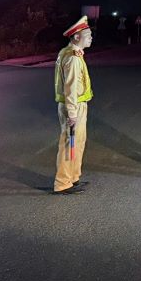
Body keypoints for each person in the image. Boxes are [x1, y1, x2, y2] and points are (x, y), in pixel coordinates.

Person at [52, 16, 94, 195]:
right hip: (74, 107)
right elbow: (70, 88)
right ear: (77, 37)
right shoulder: (73, 59)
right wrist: (72, 113)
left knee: (77, 142)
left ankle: (73, 177)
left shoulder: (68, 53)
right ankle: (63, 183)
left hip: (77, 105)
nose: (91, 37)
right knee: (70, 143)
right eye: (88, 34)